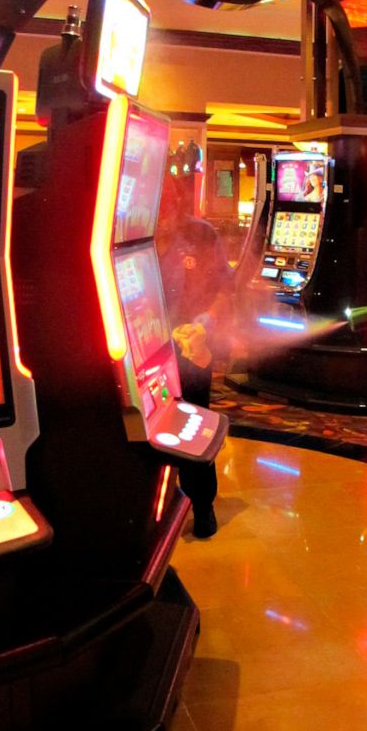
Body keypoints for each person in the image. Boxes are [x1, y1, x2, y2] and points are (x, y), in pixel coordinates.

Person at [156, 172, 234, 538]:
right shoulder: (127, 234)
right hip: (145, 349)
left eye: (168, 202)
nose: (162, 213)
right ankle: (158, 505)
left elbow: (224, 288)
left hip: (193, 346)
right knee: (149, 428)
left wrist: (206, 322)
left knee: (193, 424)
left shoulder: (201, 235)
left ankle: (203, 505)